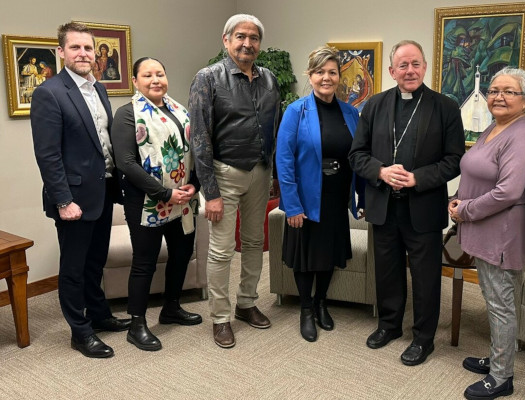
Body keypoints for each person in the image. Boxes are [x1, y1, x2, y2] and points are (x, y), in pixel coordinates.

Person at [349, 40, 465, 366]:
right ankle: (389, 326)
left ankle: (423, 339)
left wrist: (418, 178)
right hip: (384, 206)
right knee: (386, 272)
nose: (410, 70)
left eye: (415, 63)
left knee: (426, 277)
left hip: (423, 206)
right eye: (403, 65)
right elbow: (357, 155)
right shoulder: (374, 105)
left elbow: (455, 160)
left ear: (425, 67)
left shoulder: (445, 107)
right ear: (392, 71)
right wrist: (382, 172)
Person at [30, 22, 130, 359]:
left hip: (101, 192)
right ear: (61, 52)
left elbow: (102, 141)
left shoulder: (98, 89)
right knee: (73, 268)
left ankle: (99, 315)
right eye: (75, 48)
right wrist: (63, 200)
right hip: (72, 199)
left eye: (88, 48)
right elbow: (47, 154)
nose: (84, 54)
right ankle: (80, 331)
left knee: (95, 261)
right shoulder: (50, 92)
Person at [448, 67, 525, 400]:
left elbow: (509, 191)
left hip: (502, 233)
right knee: (499, 302)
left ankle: (502, 377)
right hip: (486, 229)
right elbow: (479, 170)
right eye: (493, 90)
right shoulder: (498, 125)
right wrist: (459, 199)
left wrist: (466, 210)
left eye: (508, 91)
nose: (498, 96)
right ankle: (499, 359)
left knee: (501, 305)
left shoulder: (524, 133)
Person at [189, 13, 280, 349]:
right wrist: (209, 192)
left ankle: (246, 303)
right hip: (224, 174)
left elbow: (274, 127)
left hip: (259, 172)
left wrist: (272, 175)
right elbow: (199, 136)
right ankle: (220, 317)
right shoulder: (207, 78)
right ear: (226, 40)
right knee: (222, 250)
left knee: (255, 242)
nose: (247, 43)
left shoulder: (270, 79)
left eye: (253, 38)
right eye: (240, 36)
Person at [111, 57, 203, 352]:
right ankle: (137, 325)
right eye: (147, 75)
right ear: (135, 82)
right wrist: (165, 194)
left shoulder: (180, 111)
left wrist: (194, 184)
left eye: (160, 74)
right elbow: (125, 163)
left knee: (181, 254)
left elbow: (194, 150)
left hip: (183, 200)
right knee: (144, 263)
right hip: (147, 202)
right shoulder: (127, 115)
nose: (155, 80)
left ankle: (171, 308)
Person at [276, 46, 364, 342]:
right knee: (306, 257)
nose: (326, 78)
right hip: (306, 196)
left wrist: (360, 198)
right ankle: (305, 309)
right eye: (320, 72)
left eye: (332, 72)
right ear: (310, 75)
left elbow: (360, 157)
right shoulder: (296, 111)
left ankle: (321, 302)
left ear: (339, 76)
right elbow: (284, 161)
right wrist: (291, 206)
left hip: (336, 195)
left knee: (328, 254)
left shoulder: (351, 113)